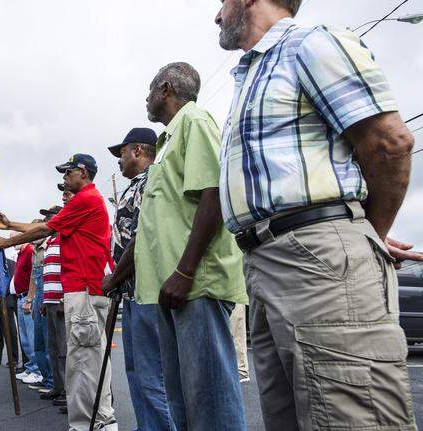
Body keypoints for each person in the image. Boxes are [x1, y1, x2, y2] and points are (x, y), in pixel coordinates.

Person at [215, 0, 419, 429]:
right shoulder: (252, 74)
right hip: (263, 262)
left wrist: (369, 235)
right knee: (290, 417)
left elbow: (389, 144)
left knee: (351, 416)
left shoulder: (310, 44)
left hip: (316, 259)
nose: (217, 15)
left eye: (222, 2)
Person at [135, 62, 248, 431]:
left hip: (194, 283)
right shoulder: (166, 140)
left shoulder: (194, 121)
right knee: (182, 397)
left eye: (150, 91)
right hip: (170, 288)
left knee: (210, 398)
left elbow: (213, 193)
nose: (146, 100)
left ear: (166, 88)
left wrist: (185, 271)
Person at [0, 154, 117, 431]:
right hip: (84, 291)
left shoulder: (86, 199)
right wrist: (10, 225)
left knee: (83, 364)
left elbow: (45, 227)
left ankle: (86, 425)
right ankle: (102, 419)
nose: (64, 180)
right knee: (91, 360)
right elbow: (46, 227)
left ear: (82, 172)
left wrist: (6, 242)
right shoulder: (86, 201)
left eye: (67, 173)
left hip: (82, 292)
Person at [102, 128, 175, 431]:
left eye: (121, 153)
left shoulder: (151, 181)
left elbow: (141, 237)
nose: (119, 160)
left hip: (147, 291)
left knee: (152, 376)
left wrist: (114, 277)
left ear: (137, 151)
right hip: (131, 293)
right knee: (135, 372)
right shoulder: (134, 186)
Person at [36, 206, 67, 410]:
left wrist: (64, 298)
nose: (47, 219)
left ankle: (68, 390)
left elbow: (67, 270)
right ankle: (58, 386)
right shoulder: (50, 242)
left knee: (64, 349)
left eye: (51, 216)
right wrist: (45, 301)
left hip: (62, 302)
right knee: (53, 347)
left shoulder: (65, 239)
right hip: (50, 302)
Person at [25, 217, 55, 394]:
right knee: (38, 342)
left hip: (48, 298)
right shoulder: (34, 252)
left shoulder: (49, 247)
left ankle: (53, 381)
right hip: (38, 299)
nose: (32, 234)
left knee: (48, 340)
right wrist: (30, 300)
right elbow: (33, 279)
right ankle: (46, 378)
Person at [12, 234, 42, 385]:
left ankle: (37, 370)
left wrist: (30, 299)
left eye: (15, 237)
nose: (13, 241)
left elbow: (34, 277)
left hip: (27, 298)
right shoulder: (21, 254)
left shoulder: (30, 251)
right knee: (24, 338)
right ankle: (31, 367)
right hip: (20, 297)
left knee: (31, 337)